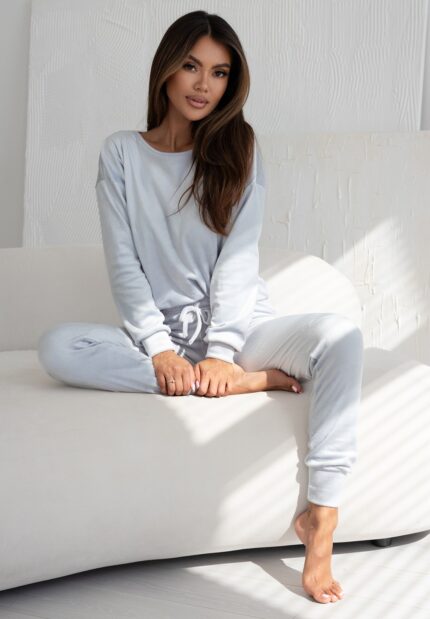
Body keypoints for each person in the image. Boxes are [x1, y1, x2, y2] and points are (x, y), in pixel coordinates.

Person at [37, 10, 363, 605]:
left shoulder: (239, 148)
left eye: (219, 72)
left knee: (341, 336)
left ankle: (322, 518)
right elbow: (124, 263)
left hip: (240, 332)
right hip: (162, 341)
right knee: (58, 348)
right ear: (166, 69)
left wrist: (222, 352)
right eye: (191, 66)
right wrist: (160, 349)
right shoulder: (121, 154)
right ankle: (249, 383)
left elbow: (238, 259)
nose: (202, 84)